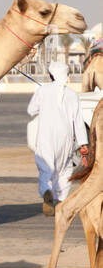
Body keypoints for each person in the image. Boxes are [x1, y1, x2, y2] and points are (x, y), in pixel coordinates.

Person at [28, 61, 88, 215]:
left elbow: (31, 110)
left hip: (46, 136)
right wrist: (83, 143)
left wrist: (41, 97)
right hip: (66, 138)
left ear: (51, 75)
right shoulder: (72, 94)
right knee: (65, 170)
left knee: (45, 168)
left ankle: (47, 191)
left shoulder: (42, 91)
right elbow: (78, 121)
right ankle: (60, 200)